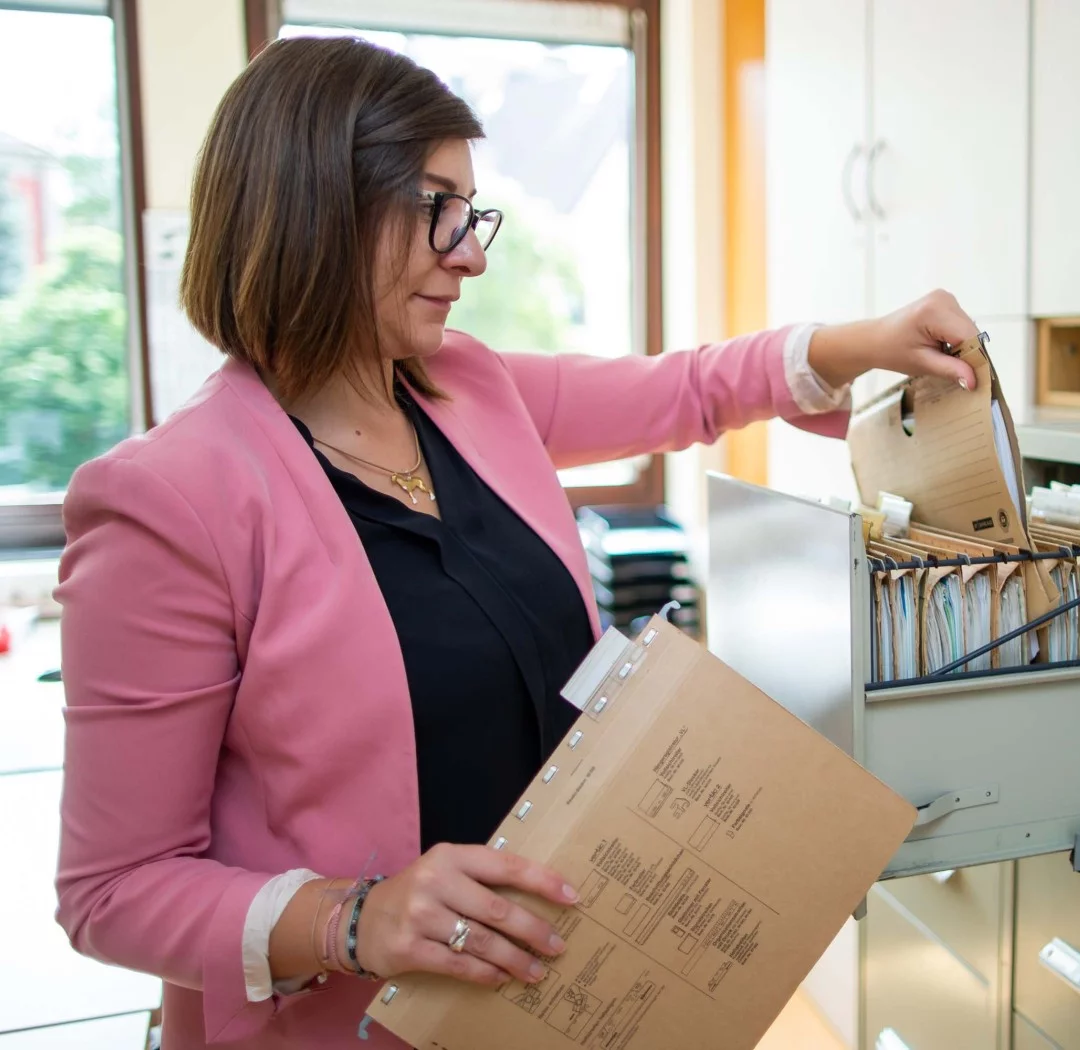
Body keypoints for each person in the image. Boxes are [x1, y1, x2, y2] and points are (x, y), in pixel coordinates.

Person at [53, 34, 982, 1050]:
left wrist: (863, 342)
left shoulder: (468, 386)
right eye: (438, 210)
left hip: (566, 1000)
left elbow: (686, 388)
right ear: (318, 207)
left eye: (471, 213)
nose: (471, 254)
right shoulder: (167, 501)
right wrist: (351, 919)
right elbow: (112, 891)